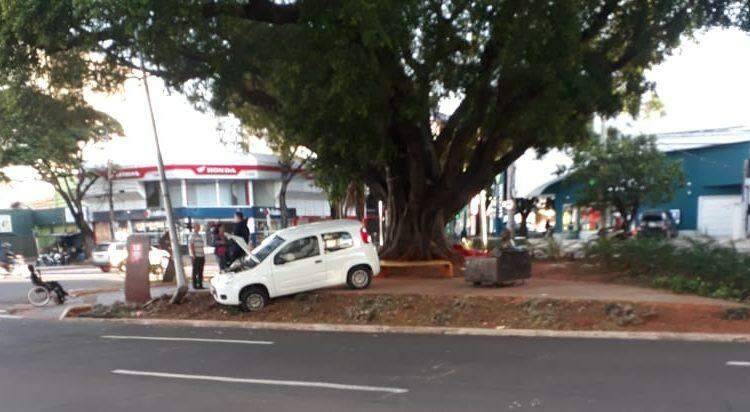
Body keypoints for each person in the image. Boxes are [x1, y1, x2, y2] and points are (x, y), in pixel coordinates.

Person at [188, 224, 206, 289]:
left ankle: (200, 284)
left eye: (199, 227)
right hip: (196, 256)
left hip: (201, 255)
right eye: (197, 227)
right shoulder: (192, 235)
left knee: (200, 271)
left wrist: (203, 255)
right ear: (194, 227)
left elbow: (202, 246)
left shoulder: (200, 236)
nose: (198, 228)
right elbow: (191, 245)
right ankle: (195, 285)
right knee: (195, 271)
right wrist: (193, 255)